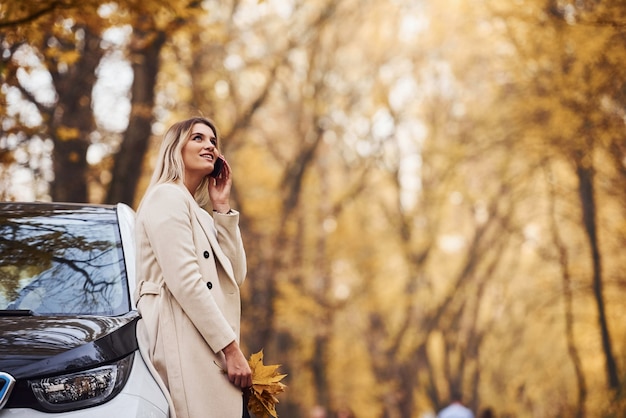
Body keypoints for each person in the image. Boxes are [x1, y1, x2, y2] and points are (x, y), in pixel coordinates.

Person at [133, 116, 252, 418]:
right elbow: (186, 282)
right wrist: (231, 349)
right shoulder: (165, 196)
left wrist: (222, 208)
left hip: (203, 342)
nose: (210, 146)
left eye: (213, 141)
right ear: (176, 149)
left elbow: (234, 276)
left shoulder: (195, 210)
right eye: (198, 138)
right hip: (181, 340)